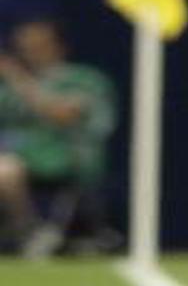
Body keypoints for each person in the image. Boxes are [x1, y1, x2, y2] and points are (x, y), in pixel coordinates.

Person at [0, 18, 117, 259]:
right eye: (25, 48)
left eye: (39, 47)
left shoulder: (84, 79)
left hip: (64, 159)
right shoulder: (7, 90)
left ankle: (30, 232)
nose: (31, 54)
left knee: (5, 170)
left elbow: (62, 114)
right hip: (17, 156)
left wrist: (17, 78)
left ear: (59, 46)